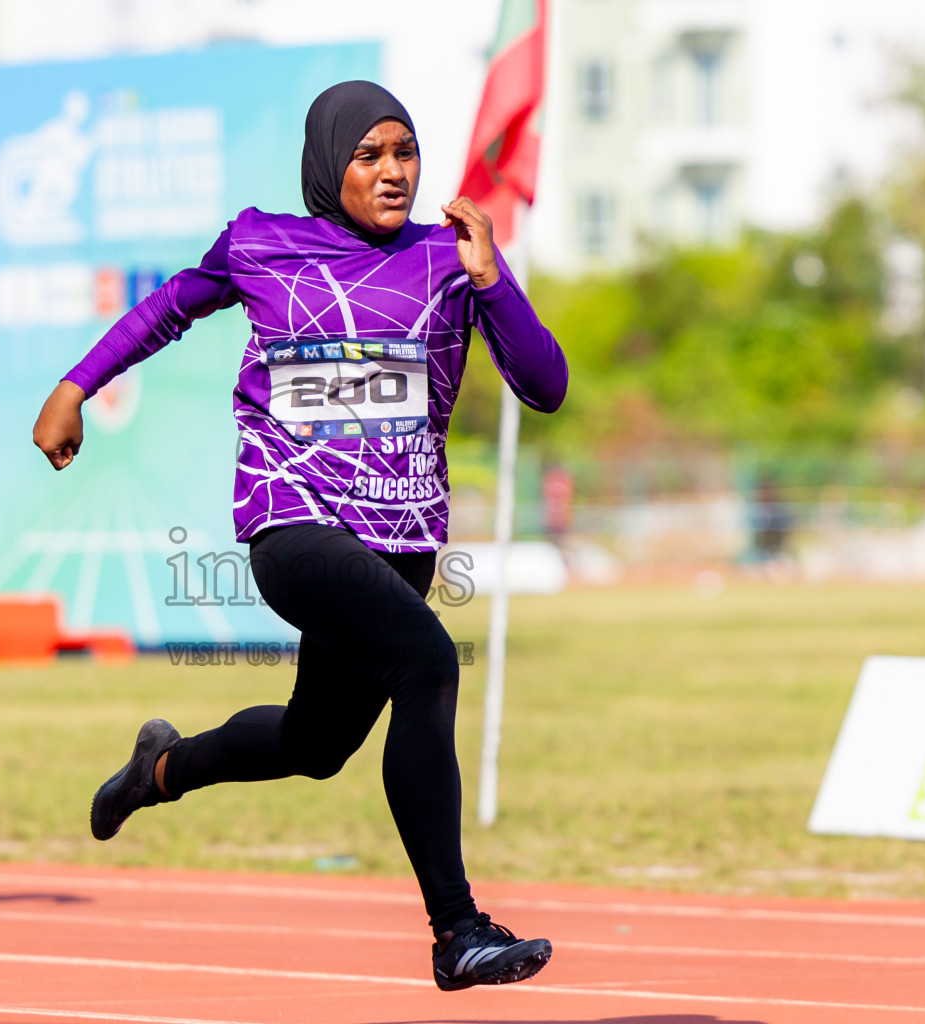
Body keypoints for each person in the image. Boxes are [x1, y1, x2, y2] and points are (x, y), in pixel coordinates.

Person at [32, 82, 568, 990]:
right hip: (294, 525)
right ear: (330, 165)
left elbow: (546, 386)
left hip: (402, 540)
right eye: (370, 155)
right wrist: (75, 386)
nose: (393, 171)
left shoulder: (451, 255)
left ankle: (157, 768)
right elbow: (163, 311)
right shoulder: (261, 242)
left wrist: (492, 278)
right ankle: (457, 930)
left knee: (317, 748)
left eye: (405, 152)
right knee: (429, 667)